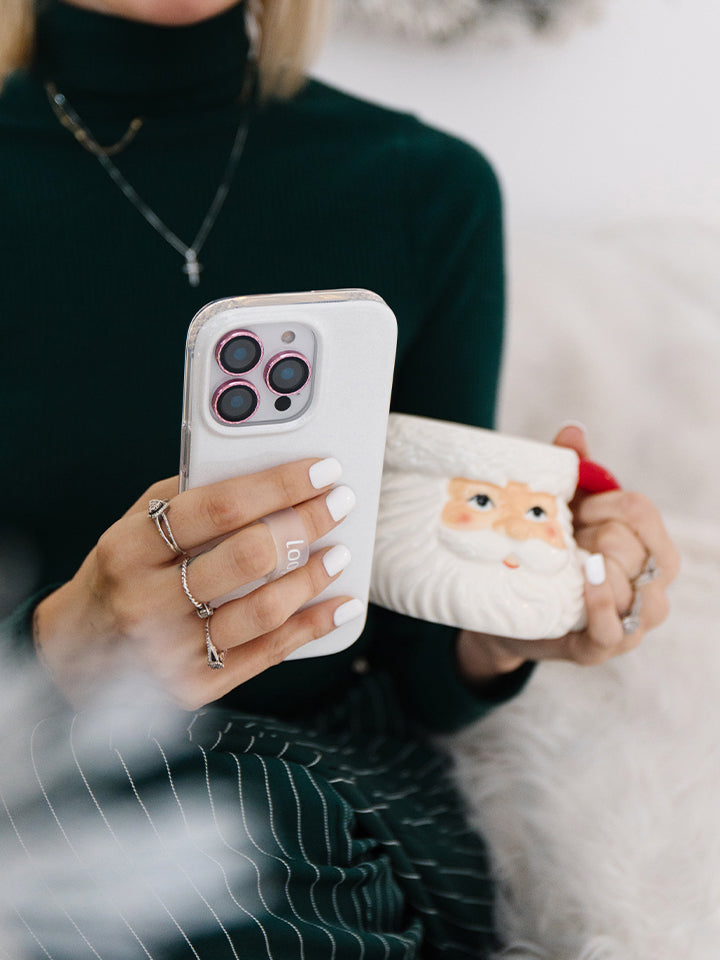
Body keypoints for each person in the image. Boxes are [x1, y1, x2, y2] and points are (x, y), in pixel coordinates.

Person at [0, 0, 679, 956]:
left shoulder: (422, 187)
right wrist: (61, 651)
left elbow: (414, 665)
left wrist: (497, 621)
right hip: (37, 788)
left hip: (319, 803)